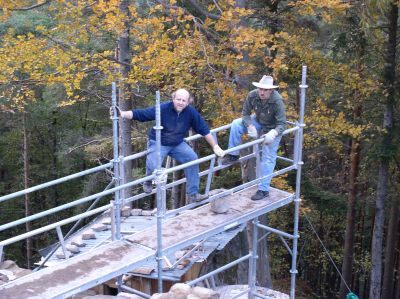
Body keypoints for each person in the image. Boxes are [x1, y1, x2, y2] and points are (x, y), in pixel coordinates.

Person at [115, 88, 225, 202]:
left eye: (184, 100)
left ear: (188, 102)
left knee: (192, 159)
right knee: (154, 165)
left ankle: (193, 194)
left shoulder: (191, 113)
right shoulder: (163, 108)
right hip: (158, 142)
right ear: (173, 99)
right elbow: (142, 114)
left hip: (177, 143)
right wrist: (122, 113)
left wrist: (215, 146)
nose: (181, 102)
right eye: (178, 99)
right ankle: (148, 180)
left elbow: (204, 130)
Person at [221, 75, 286, 201]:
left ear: (271, 90)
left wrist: (273, 133)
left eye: (265, 90)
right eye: (260, 89)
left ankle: (263, 189)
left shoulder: (277, 101)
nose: (262, 92)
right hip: (258, 120)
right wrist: (250, 126)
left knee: (267, 157)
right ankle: (233, 155)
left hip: (272, 128)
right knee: (236, 124)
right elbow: (245, 114)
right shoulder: (252, 95)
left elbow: (282, 124)